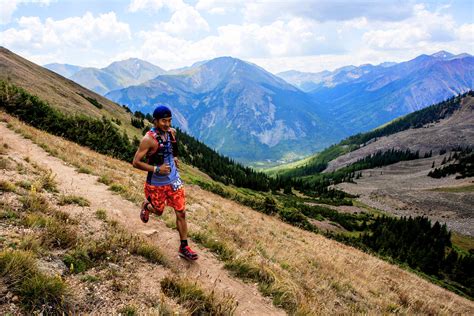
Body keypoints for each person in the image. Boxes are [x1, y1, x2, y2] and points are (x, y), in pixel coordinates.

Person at [132, 105, 198, 261]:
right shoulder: (148, 139)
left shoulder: (171, 133)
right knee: (159, 211)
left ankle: (184, 246)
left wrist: (174, 159)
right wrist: (156, 169)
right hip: (156, 182)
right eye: (164, 121)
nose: (167, 124)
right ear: (155, 120)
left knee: (181, 212)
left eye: (169, 120)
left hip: (174, 180)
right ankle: (146, 206)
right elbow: (135, 162)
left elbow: (172, 151)